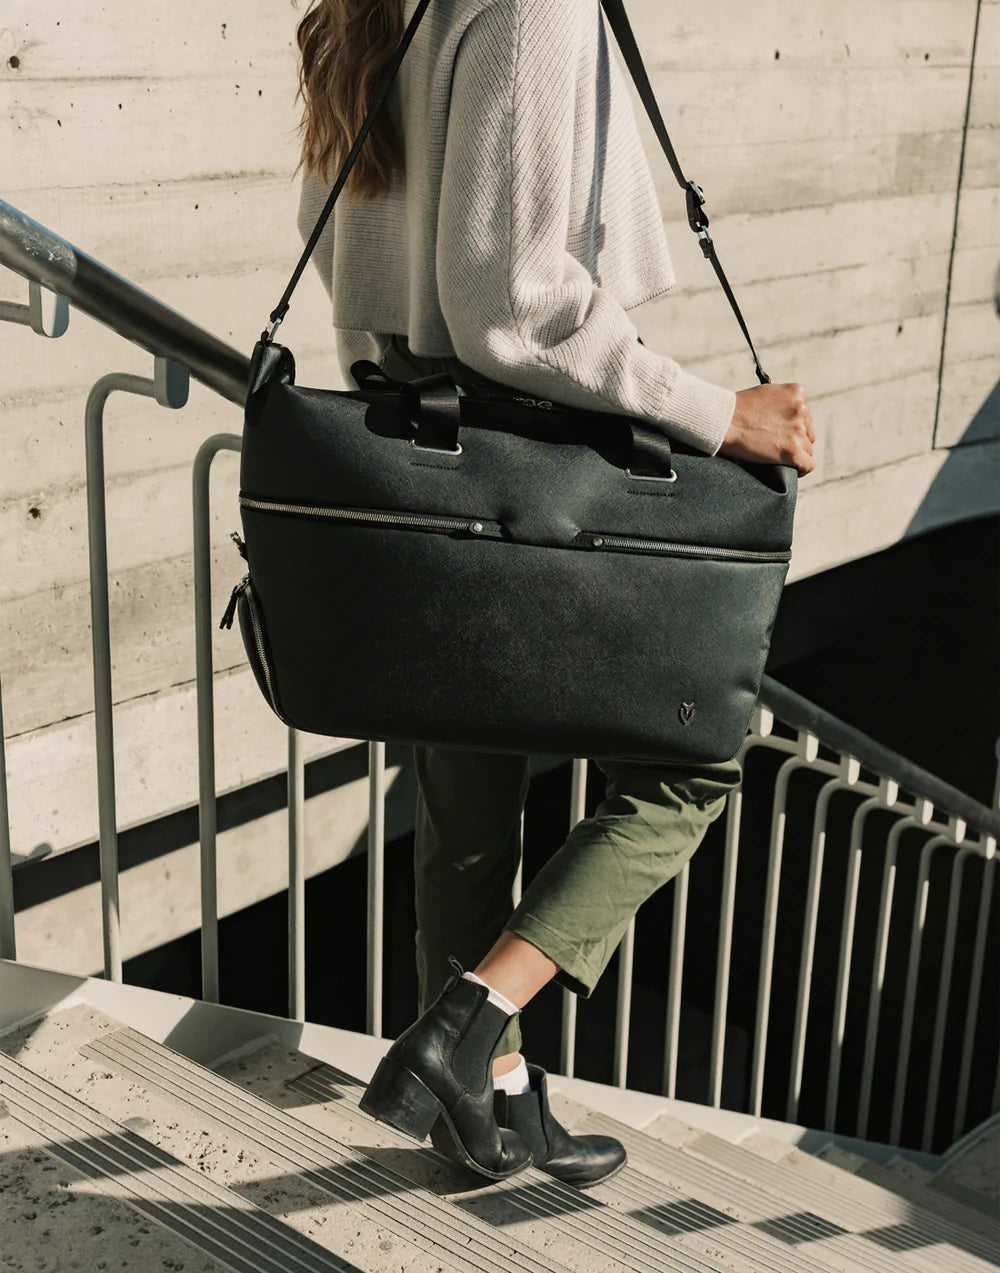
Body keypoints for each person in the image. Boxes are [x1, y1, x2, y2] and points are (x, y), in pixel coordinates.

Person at [291, 0, 816, 1186]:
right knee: (698, 760)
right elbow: (515, 309)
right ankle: (471, 1028)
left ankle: (494, 1097)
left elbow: (351, 253)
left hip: (427, 449)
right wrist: (721, 413)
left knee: (463, 814)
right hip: (547, 463)